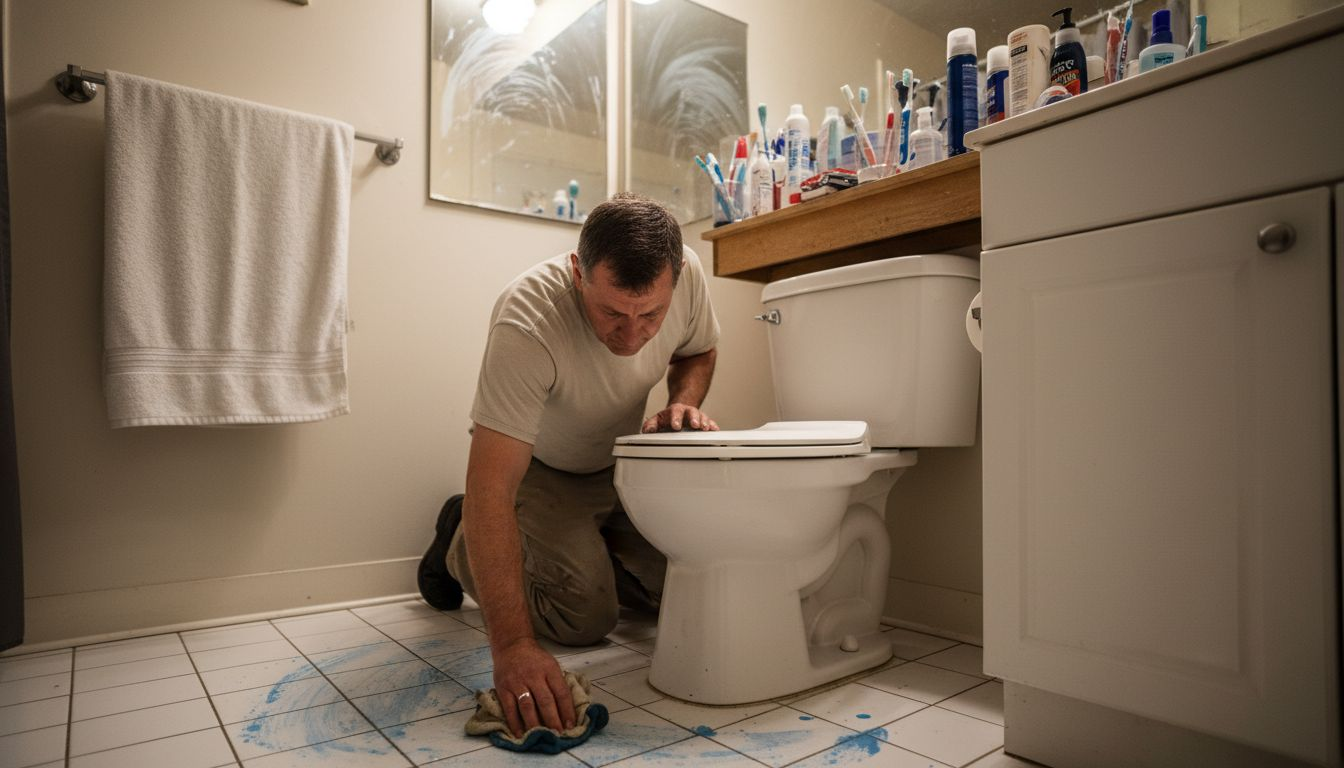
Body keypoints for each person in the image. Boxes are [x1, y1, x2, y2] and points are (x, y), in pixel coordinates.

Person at [417, 193, 720, 738]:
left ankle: (576, 553)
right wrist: (512, 649)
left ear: (675, 277)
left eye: (650, 314)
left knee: (686, 588)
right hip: (544, 470)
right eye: (612, 313)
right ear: (579, 272)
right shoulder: (527, 321)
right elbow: (491, 487)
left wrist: (684, 401)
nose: (631, 336)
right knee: (584, 619)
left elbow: (697, 350)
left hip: (621, 461)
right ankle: (457, 541)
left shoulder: (688, 274)